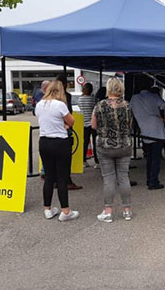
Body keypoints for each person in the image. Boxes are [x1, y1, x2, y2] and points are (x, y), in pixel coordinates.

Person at [35, 80, 79, 222]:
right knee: (62, 177)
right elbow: (71, 121)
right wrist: (64, 126)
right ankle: (65, 211)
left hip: (44, 142)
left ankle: (47, 209)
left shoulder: (39, 104)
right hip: (60, 142)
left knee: (49, 177)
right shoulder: (60, 105)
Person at [91, 77, 133, 222]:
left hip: (105, 146)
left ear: (108, 88)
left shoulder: (100, 105)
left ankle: (108, 212)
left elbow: (93, 125)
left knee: (109, 178)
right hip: (124, 145)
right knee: (123, 176)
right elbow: (130, 125)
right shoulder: (127, 105)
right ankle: (127, 211)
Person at [130, 84, 165, 190]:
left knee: (149, 157)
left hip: (145, 131)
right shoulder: (154, 96)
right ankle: (153, 182)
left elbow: (129, 112)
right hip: (157, 130)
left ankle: (149, 179)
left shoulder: (134, 98)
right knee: (156, 157)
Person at [56, 74, 83, 190]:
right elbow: (69, 115)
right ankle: (67, 180)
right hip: (64, 131)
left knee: (55, 160)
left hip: (51, 134)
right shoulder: (66, 96)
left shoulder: (49, 99)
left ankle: (56, 180)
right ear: (65, 84)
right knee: (66, 158)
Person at [78, 83, 98, 167]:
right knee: (95, 142)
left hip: (84, 123)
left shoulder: (80, 99)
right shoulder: (93, 99)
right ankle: (97, 161)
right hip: (93, 123)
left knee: (85, 142)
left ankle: (83, 161)